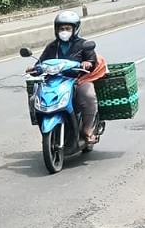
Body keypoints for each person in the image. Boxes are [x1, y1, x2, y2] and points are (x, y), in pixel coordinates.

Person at [28, 11, 101, 144]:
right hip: (55, 80)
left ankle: (88, 128)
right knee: (34, 98)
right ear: (56, 30)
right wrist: (34, 68)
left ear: (75, 29)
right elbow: (41, 62)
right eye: (61, 28)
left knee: (88, 95)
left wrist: (88, 63)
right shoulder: (52, 46)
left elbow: (92, 60)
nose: (64, 31)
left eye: (68, 28)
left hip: (78, 80)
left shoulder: (83, 44)